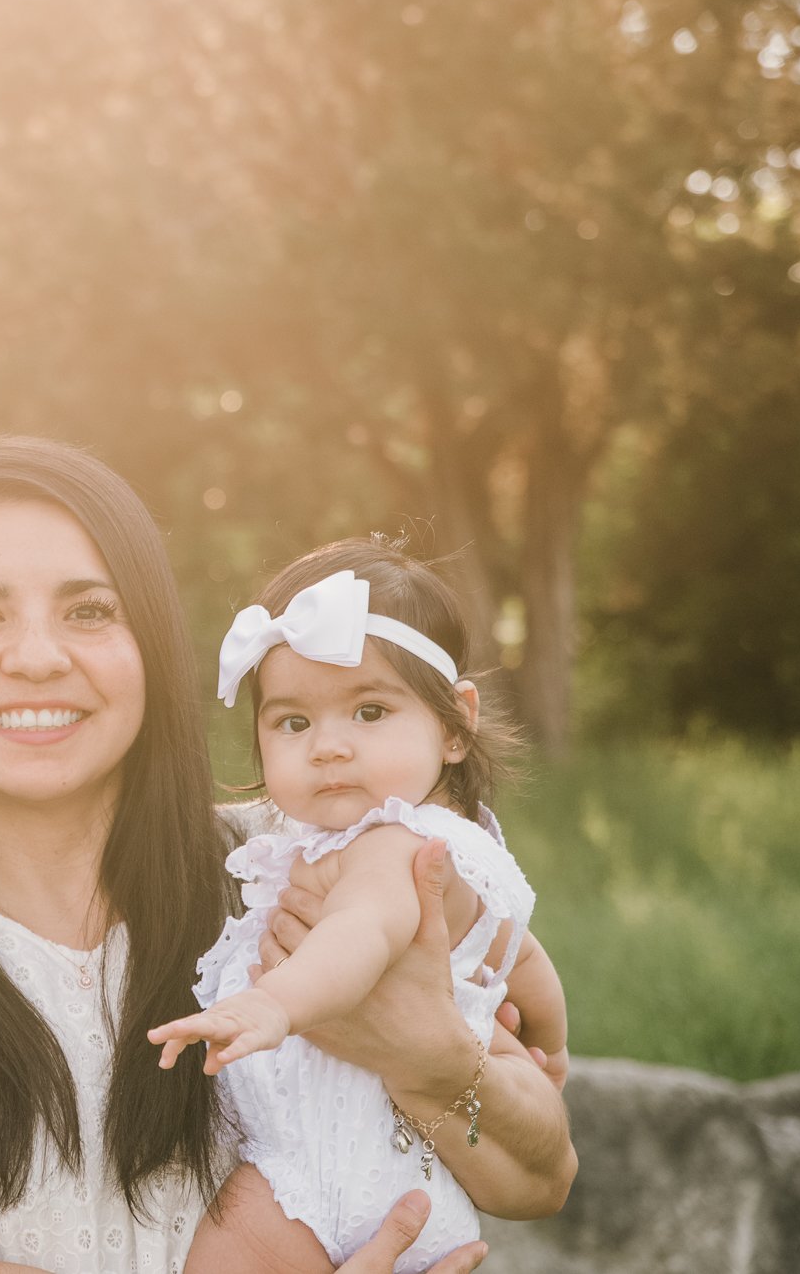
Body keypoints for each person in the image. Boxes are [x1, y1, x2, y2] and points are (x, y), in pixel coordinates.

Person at [0, 439, 571, 1272]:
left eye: (90, 610)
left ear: (150, 654)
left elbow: (541, 1172)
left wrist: (426, 1057)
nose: (37, 658)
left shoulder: (290, 875)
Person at [151, 539, 569, 1272]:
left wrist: (271, 1005)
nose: (329, 747)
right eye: (293, 723)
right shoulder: (462, 846)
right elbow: (522, 955)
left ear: (455, 723)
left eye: (369, 710)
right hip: (406, 1164)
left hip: (339, 1167)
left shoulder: (393, 842)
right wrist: (552, 1044)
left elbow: (358, 931)